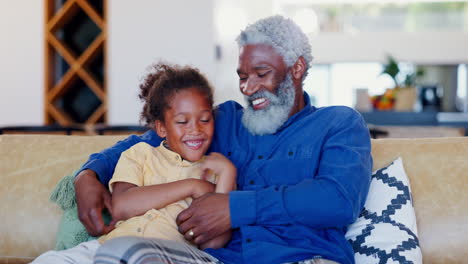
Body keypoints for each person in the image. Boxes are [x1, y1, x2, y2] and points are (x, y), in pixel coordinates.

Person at [77, 15, 373, 264]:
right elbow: (151, 139)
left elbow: (338, 199)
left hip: (304, 256)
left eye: (261, 73)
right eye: (243, 76)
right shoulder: (223, 120)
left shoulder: (339, 123)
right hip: (217, 259)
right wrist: (88, 175)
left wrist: (235, 207)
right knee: (124, 253)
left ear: (297, 68)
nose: (248, 87)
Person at [32, 63, 236, 263]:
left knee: (128, 254)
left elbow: (216, 243)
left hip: (167, 255)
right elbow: (122, 206)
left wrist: (228, 174)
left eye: (205, 120)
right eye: (183, 122)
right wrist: (192, 186)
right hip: (107, 246)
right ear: (161, 128)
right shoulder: (139, 154)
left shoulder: (216, 171)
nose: (196, 129)